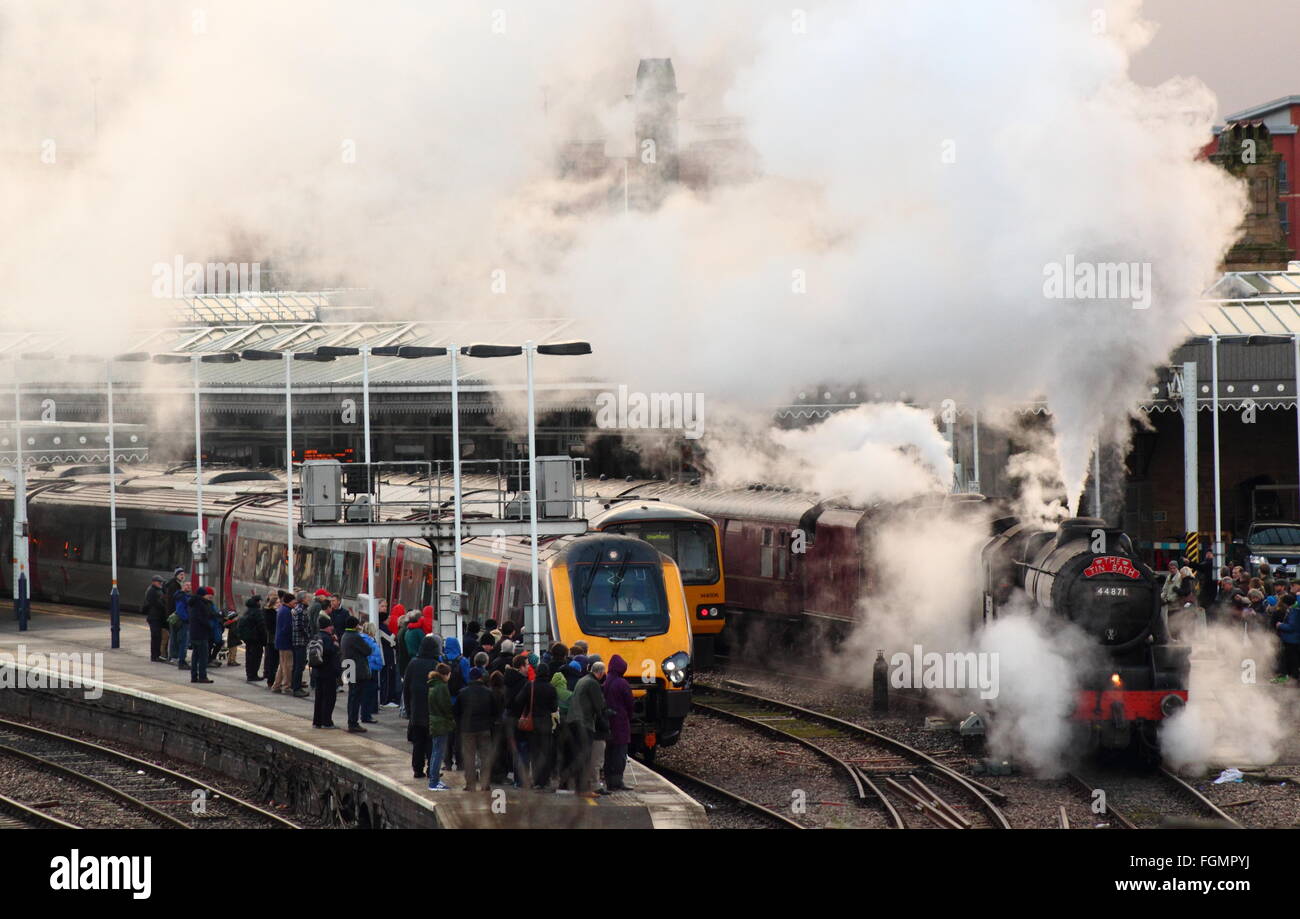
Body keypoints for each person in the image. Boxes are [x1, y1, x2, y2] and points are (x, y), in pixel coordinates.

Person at [562, 660, 607, 796]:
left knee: (579, 755)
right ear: (600, 673)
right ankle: (583, 789)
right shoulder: (593, 683)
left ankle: (578, 787)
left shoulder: (583, 680)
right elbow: (599, 705)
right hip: (583, 723)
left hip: (573, 720)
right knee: (585, 756)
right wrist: (606, 716)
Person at [404, 635, 443, 778]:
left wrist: (408, 709)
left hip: (416, 711)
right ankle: (432, 770)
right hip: (432, 712)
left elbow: (406, 688)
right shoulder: (436, 666)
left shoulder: (413, 664)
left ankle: (417, 769)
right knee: (432, 743)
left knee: (418, 742)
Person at [516, 663, 558, 789]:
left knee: (534, 752)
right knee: (545, 752)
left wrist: (528, 706)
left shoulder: (530, 685)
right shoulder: (551, 688)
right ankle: (545, 780)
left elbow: (519, 700)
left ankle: (537, 780)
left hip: (532, 723)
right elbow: (554, 707)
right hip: (545, 723)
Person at [457, 668, 500, 791]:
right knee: (485, 757)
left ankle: (470, 784)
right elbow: (495, 711)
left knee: (469, 757)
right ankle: (485, 783)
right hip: (484, 729)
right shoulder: (488, 692)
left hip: (467, 729)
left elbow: (456, 712)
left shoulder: (463, 692)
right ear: (481, 677)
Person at [602, 654, 634, 792]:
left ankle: (608, 780)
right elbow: (630, 704)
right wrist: (628, 716)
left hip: (606, 722)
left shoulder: (604, 681)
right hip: (620, 722)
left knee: (608, 752)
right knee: (620, 752)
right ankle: (617, 781)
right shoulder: (622, 683)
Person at [339, 616, 371, 732]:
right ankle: (353, 723)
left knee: (352, 696)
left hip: (349, 667)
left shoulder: (345, 635)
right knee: (355, 697)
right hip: (356, 669)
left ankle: (351, 721)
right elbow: (368, 650)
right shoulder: (355, 637)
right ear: (355, 625)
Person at [426, 663, 454, 791]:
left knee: (435, 752)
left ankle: (434, 779)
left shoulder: (433, 685)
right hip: (441, 723)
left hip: (434, 721)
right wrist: (452, 720)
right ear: (445, 674)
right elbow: (446, 706)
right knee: (438, 753)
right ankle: (434, 782)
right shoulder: (442, 687)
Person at [311, 614, 342, 728]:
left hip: (318, 671)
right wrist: (336, 644)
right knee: (329, 698)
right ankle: (326, 722)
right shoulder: (327, 638)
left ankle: (317, 721)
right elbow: (330, 652)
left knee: (319, 697)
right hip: (328, 672)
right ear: (328, 627)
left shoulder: (317, 636)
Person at [188, 587, 214, 683]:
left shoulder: (192, 603)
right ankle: (203, 676)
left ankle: (194, 676)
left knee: (195, 655)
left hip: (193, 633)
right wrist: (209, 626)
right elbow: (203, 619)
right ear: (203, 595)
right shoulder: (201, 604)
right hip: (201, 633)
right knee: (203, 656)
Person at [238, 596, 266, 681]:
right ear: (257, 602)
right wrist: (264, 639)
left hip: (248, 638)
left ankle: (249, 674)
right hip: (256, 639)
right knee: (256, 657)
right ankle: (253, 675)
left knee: (249, 656)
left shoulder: (247, 611)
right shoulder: (257, 612)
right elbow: (261, 626)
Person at [271, 592, 295, 694]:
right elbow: (287, 628)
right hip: (286, 643)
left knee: (282, 665)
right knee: (288, 666)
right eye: (294, 601)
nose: (295, 603)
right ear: (289, 602)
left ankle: (276, 685)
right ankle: (286, 686)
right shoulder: (286, 612)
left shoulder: (282, 610)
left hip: (280, 641)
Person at [360, 620, 383, 723]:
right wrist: (379, 665)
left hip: (363, 669)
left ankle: (365, 714)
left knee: (363, 693)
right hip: (372, 668)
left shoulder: (360, 639)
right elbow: (377, 656)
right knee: (369, 693)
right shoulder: (371, 641)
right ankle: (367, 715)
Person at [1273, 594, 1300, 682]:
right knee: (1292, 659)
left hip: (1292, 640)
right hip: (1293, 639)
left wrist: (1280, 625)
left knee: (1292, 660)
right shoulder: (1294, 610)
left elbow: (1292, 627)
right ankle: (1292, 677)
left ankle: (1293, 678)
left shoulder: (1295, 611)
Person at [290, 591, 312, 698]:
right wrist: (308, 636)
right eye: (307, 597)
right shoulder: (301, 610)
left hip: (297, 641)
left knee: (297, 665)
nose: (309, 599)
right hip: (300, 641)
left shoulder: (297, 609)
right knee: (299, 665)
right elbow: (300, 626)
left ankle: (295, 685)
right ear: (303, 599)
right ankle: (296, 688)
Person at [143, 575, 168, 662]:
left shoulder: (159, 590)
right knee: (155, 637)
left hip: (158, 617)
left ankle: (157, 655)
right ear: (153, 582)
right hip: (154, 617)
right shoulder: (152, 591)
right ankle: (154, 656)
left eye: (161, 582)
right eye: (159, 582)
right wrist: (164, 606)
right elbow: (157, 603)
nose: (160, 583)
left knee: (158, 637)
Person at [171, 584, 192, 669]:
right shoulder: (181, 596)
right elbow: (180, 610)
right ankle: (181, 661)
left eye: (190, 585)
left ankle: (181, 659)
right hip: (183, 622)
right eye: (186, 585)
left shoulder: (185, 596)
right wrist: (187, 618)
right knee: (183, 641)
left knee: (182, 641)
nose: (189, 587)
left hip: (184, 622)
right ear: (183, 587)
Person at [262, 593, 281, 688]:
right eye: (277, 602)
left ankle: (273, 679)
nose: (279, 604)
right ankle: (271, 680)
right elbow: (271, 627)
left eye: (279, 602)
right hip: (272, 640)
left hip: (274, 639)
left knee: (275, 661)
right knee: (273, 661)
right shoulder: (270, 613)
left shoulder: (276, 612)